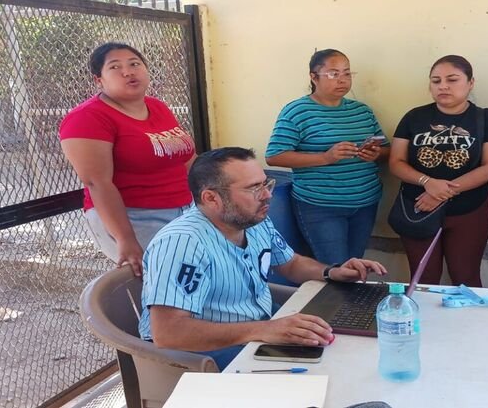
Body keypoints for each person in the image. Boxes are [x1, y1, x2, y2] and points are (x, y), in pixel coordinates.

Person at [138, 147, 387, 369]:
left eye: (266, 184)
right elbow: (169, 333)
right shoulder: (182, 243)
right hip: (201, 354)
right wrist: (264, 330)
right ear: (211, 198)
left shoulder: (253, 219)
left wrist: (332, 272)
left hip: (255, 328)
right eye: (253, 188)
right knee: (321, 372)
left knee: (346, 350)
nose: (267, 195)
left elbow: (291, 263)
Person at [60, 42, 197, 277]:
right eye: (115, 67)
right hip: (135, 217)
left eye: (134, 64)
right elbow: (97, 183)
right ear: (99, 80)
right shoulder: (87, 118)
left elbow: (187, 158)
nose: (128, 72)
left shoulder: (158, 107)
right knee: (166, 284)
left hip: (186, 209)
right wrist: (125, 238)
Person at [388, 55, 488, 286]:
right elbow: (396, 161)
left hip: (469, 209)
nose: (443, 86)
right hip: (418, 207)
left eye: (452, 80)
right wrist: (427, 182)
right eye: (436, 81)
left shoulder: (487, 119)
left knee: (465, 278)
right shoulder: (414, 117)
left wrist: (440, 192)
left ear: (470, 83)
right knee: (423, 279)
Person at [266, 49, 388, 266]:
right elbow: (275, 156)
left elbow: (386, 150)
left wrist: (376, 153)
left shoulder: (362, 111)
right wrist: (325, 157)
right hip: (320, 205)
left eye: (347, 73)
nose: (342, 80)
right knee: (336, 269)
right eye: (333, 74)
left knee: (355, 266)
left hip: (365, 203)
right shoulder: (297, 111)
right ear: (314, 77)